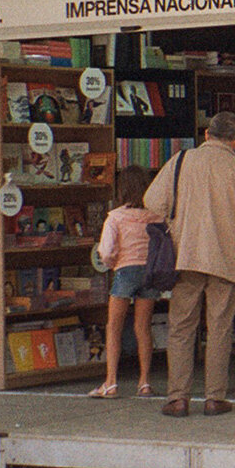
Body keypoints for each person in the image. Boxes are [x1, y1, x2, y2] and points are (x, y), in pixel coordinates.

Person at [145, 111, 235, 418]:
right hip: (227, 261)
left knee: (181, 328)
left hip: (186, 256)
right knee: (219, 328)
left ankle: (178, 397)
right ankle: (215, 397)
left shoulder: (180, 161)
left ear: (206, 134)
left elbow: (152, 201)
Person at [88, 166, 162, 399]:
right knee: (143, 328)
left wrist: (111, 263)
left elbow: (106, 249)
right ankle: (145, 382)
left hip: (125, 271)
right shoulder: (155, 215)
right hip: (149, 273)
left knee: (114, 327)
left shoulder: (116, 217)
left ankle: (111, 382)